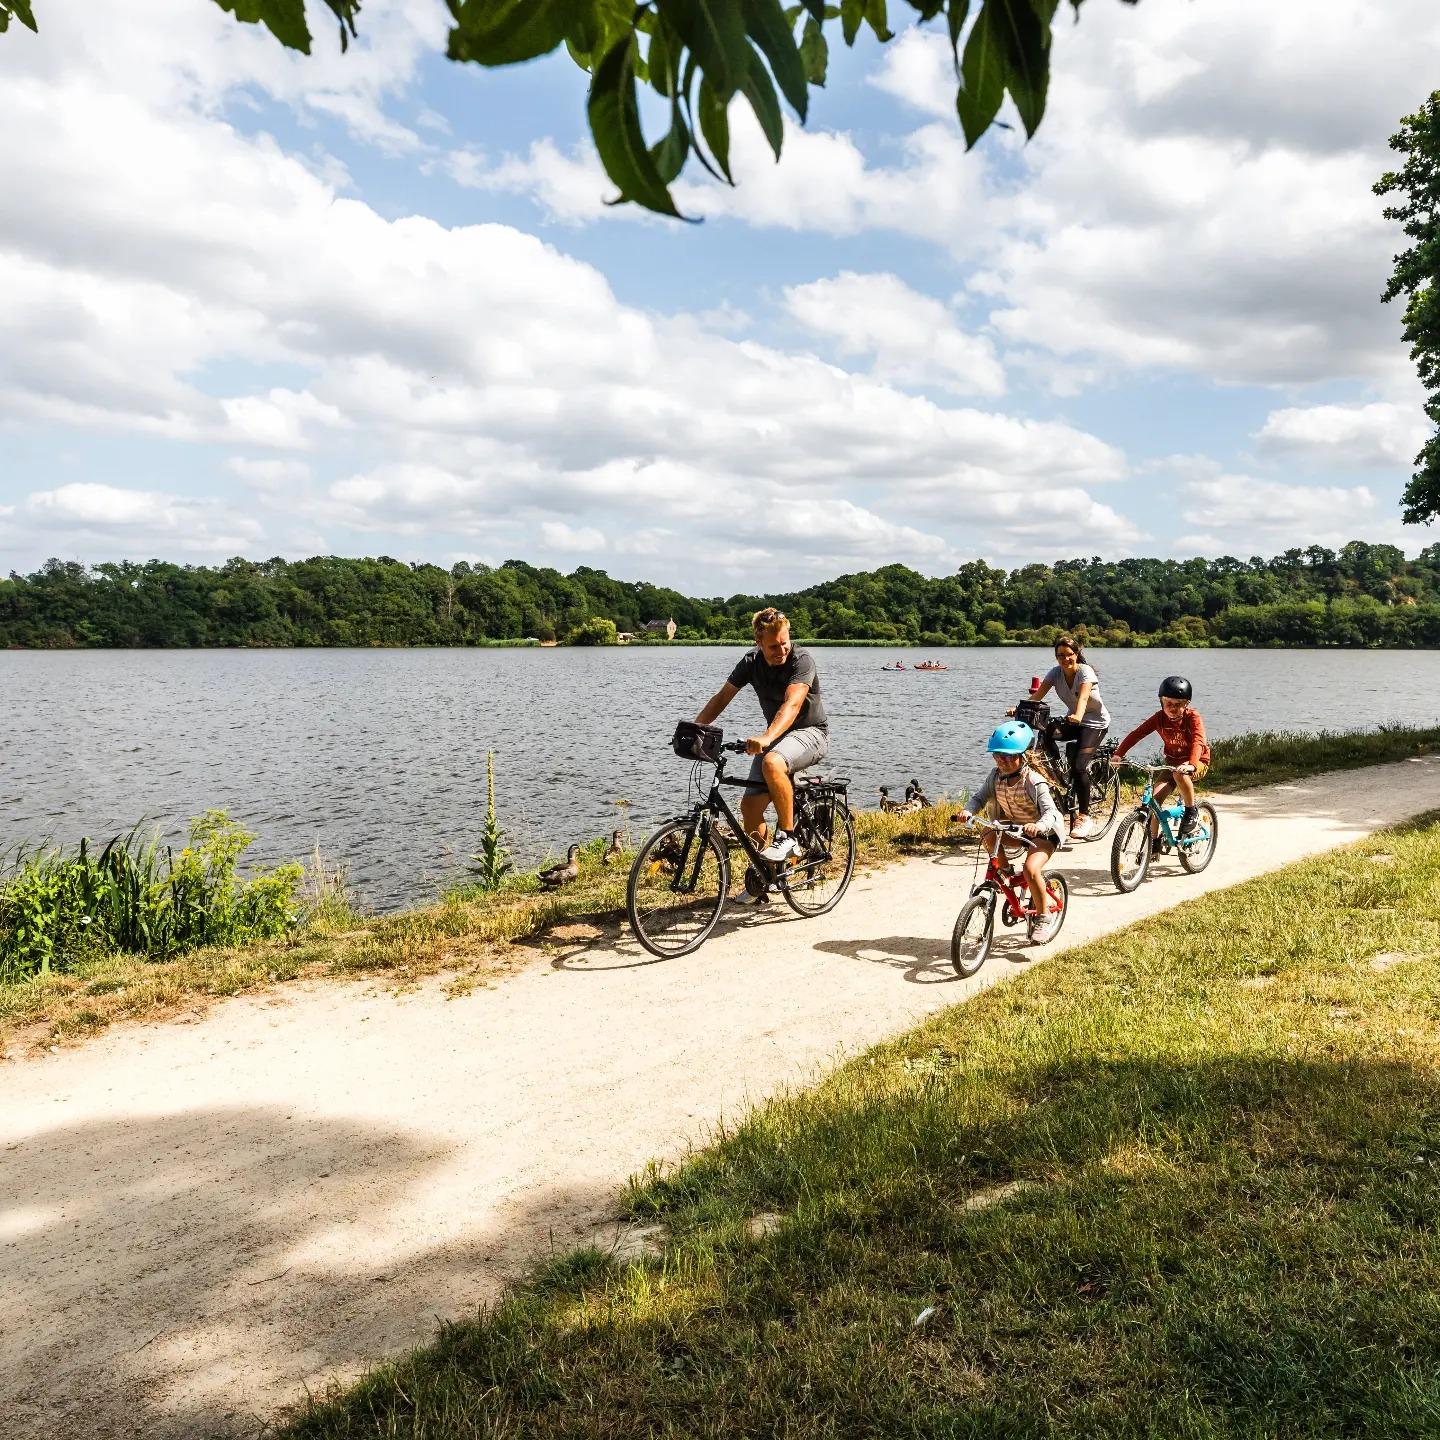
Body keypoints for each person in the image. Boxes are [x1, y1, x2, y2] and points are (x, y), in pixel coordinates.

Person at [694, 607, 829, 881]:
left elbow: (792, 705)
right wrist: (695, 730)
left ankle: (788, 837)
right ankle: (767, 873)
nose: (781, 651)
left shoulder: (801, 660)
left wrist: (766, 738)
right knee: (751, 808)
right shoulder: (750, 662)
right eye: (773, 646)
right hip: (777, 737)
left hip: (811, 732)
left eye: (784, 643)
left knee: (772, 760)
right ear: (758, 643)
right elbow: (723, 697)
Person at [956, 720, 1066, 939]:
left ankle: (1043, 917)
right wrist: (968, 811)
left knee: (1031, 870)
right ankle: (1005, 872)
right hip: (1016, 831)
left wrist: (1039, 826)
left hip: (1044, 835)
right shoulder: (995, 777)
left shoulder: (1034, 781)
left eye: (1007, 756)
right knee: (988, 832)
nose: (1001, 761)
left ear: (1022, 756)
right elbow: (979, 798)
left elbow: (1051, 813)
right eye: (997, 756)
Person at [1010, 634, 1110, 839]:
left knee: (1080, 766)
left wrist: (1078, 715)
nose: (1065, 659)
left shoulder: (1085, 671)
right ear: (1056, 657)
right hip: (1073, 720)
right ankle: (1055, 772)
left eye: (1069, 654)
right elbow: (1037, 698)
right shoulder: (1055, 673)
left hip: (1094, 723)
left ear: (1077, 654)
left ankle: (1084, 816)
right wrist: (1020, 709)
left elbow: (1083, 697)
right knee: (1045, 731)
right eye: (1060, 655)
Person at [1110, 675, 1211, 846]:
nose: (1173, 708)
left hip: (1197, 762)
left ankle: (1190, 811)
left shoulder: (1193, 717)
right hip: (1171, 763)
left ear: (1186, 704)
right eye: (1168, 704)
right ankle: (1154, 842)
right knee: (1154, 802)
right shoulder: (1159, 718)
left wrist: (1192, 764)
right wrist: (1119, 753)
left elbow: (1198, 742)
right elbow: (1137, 734)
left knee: (1179, 774)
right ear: (1161, 702)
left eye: (1178, 704)